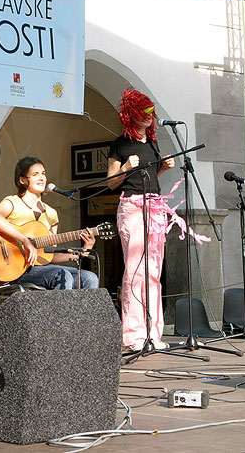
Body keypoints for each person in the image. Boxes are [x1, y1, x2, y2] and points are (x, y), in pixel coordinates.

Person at [106, 88, 176, 352]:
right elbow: (113, 183)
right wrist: (125, 167)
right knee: (136, 271)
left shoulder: (152, 143)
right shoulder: (120, 144)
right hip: (132, 206)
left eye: (150, 113)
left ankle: (153, 333)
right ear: (130, 115)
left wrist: (162, 167)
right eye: (142, 113)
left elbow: (148, 177)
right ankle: (134, 335)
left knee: (153, 272)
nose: (148, 118)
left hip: (154, 206)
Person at [0, 156, 99, 291]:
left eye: (43, 174)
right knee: (62, 275)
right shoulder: (12, 202)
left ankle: (76, 313)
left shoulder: (51, 214)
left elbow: (50, 256)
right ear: (22, 180)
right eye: (35, 174)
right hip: (14, 268)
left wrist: (85, 250)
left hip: (43, 269)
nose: (41, 178)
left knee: (90, 278)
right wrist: (24, 240)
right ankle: (54, 313)